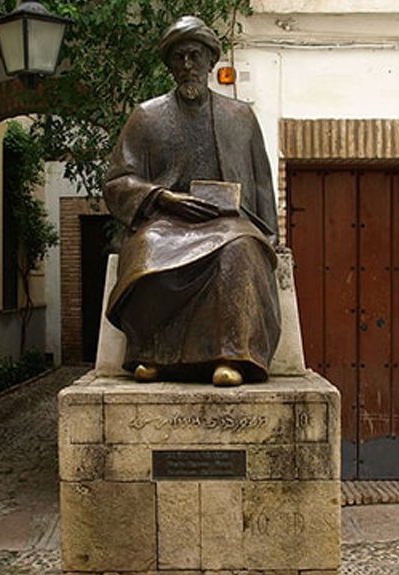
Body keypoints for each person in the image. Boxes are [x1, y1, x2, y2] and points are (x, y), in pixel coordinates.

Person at [104, 15, 281, 387]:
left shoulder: (240, 117)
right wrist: (162, 197)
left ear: (210, 61)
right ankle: (151, 354)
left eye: (194, 56)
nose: (187, 65)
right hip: (166, 220)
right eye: (179, 58)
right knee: (148, 251)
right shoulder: (146, 116)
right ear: (170, 65)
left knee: (242, 250)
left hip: (227, 219)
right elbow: (118, 180)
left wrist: (270, 232)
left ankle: (231, 356)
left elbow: (261, 180)